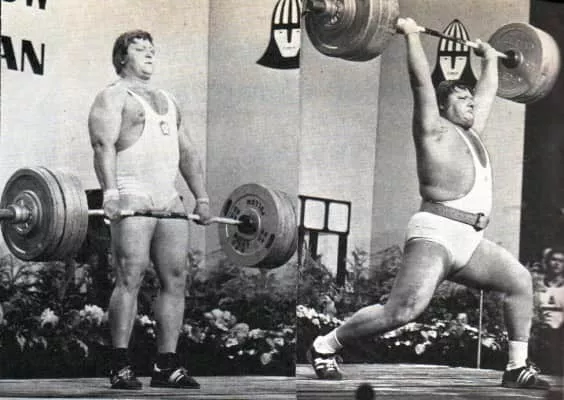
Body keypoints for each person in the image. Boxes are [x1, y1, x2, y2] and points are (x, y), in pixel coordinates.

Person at [307, 17, 550, 390]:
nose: (471, 102)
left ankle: (516, 367)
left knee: (519, 281)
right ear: (442, 106)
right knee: (402, 310)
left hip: (470, 240)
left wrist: (489, 59)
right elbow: (421, 82)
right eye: (461, 99)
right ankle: (325, 346)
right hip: (435, 233)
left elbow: (487, 93)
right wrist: (410, 37)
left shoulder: (471, 134)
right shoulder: (432, 130)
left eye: (470, 98)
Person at [88, 30, 212, 390]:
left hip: (167, 196)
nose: (149, 54)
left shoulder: (168, 100)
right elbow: (103, 145)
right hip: (132, 192)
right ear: (121, 57)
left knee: (176, 278)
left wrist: (202, 198)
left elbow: (187, 153)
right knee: (131, 276)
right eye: (140, 49)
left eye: (152, 49)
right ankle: (119, 364)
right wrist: (111, 194)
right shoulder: (113, 96)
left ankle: (166, 365)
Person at [536, 248, 564, 375]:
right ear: (547, 262)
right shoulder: (537, 285)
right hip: (539, 333)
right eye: (554, 260)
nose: (557, 264)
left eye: (561, 261)